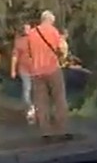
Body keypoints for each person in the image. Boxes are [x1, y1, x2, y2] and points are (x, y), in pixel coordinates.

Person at [27, 10, 72, 141]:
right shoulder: (53, 31)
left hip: (36, 71)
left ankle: (45, 132)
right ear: (50, 20)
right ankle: (62, 129)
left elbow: (30, 53)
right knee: (59, 99)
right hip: (52, 69)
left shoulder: (32, 33)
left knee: (41, 102)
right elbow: (61, 49)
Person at [11, 23, 36, 124]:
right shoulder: (19, 42)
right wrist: (12, 70)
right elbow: (15, 56)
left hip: (36, 69)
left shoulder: (36, 41)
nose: (28, 30)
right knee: (27, 89)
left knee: (34, 90)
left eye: (29, 28)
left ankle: (33, 108)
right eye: (26, 29)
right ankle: (30, 108)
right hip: (24, 69)